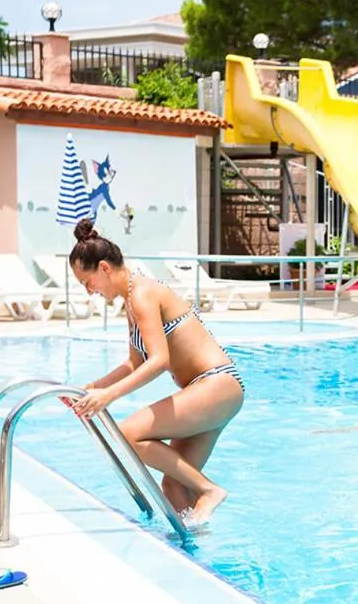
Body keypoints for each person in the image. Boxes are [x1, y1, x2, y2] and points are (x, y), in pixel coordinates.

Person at [67, 219, 244, 524]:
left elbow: (159, 360)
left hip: (216, 384)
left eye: (88, 281)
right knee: (174, 485)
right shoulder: (131, 303)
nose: (89, 291)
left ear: (105, 268)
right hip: (206, 390)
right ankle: (194, 552)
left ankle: (210, 490)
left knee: (128, 434)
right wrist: (91, 388)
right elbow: (135, 363)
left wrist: (108, 396)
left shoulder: (143, 294)